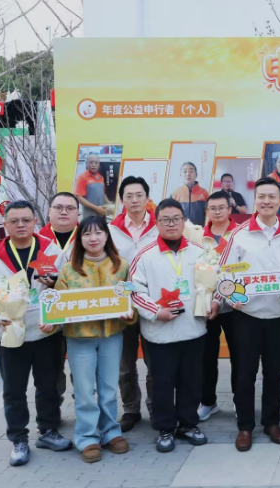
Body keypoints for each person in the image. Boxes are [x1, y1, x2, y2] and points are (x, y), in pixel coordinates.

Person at [219, 177, 280, 451]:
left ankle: (271, 422)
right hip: (247, 316)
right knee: (245, 374)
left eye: (272, 196)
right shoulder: (239, 235)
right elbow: (224, 274)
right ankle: (245, 426)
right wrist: (231, 297)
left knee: (273, 373)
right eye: (261, 196)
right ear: (255, 200)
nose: (266, 201)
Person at [130, 198, 217, 453]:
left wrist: (215, 303)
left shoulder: (199, 252)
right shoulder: (144, 255)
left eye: (176, 219)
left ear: (184, 221)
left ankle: (188, 424)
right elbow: (135, 291)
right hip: (160, 334)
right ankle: (165, 428)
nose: (171, 224)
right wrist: (157, 312)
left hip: (194, 330)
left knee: (191, 381)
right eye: (165, 220)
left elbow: (214, 282)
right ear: (156, 223)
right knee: (162, 384)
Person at [0, 201, 69, 466]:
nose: (20, 225)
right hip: (10, 333)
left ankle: (48, 430)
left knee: (48, 385)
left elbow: (67, 287)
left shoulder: (52, 250)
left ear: (35, 221)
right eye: (14, 221)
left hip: (46, 332)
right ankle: (18, 439)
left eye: (26, 220)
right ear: (5, 225)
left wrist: (55, 313)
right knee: (13, 390)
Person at [57, 216, 135, 462]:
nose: (93, 238)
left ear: (106, 236)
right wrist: (50, 320)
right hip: (79, 338)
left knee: (109, 388)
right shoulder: (69, 269)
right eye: (87, 234)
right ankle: (87, 437)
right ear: (79, 239)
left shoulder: (121, 265)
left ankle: (111, 432)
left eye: (98, 233)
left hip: (112, 336)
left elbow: (132, 297)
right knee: (84, 391)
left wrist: (130, 313)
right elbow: (58, 305)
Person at [109, 176, 158, 432]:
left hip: (152, 304)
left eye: (139, 195)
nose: (135, 200)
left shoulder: (160, 226)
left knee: (155, 363)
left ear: (147, 198)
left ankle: (156, 407)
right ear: (122, 200)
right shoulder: (110, 231)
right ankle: (130, 409)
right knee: (124, 365)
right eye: (129, 196)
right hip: (122, 306)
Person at [197, 192, 238, 422]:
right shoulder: (197, 237)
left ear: (230, 209)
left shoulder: (240, 235)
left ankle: (240, 399)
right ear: (207, 212)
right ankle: (208, 402)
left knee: (239, 356)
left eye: (222, 207)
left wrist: (222, 297)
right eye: (212, 208)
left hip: (235, 306)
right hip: (205, 307)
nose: (217, 211)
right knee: (206, 356)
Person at [40, 192, 80, 398]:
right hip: (50, 313)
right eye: (58, 208)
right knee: (52, 365)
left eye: (70, 208)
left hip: (80, 311)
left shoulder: (89, 237)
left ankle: (84, 402)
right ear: (49, 211)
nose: (64, 212)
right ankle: (52, 407)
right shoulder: (36, 240)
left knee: (83, 364)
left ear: (77, 213)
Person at [170, 162, 208, 226]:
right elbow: (170, 214)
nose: (188, 174)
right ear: (181, 175)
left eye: (191, 171)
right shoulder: (175, 194)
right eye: (185, 171)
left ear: (196, 175)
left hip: (200, 230)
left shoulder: (204, 193)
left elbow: (209, 214)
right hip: (181, 230)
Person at [75, 153, 110, 219]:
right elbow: (79, 198)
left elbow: (103, 193)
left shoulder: (101, 177)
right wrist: (96, 208)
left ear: (99, 164)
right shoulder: (82, 178)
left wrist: (108, 202)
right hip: (90, 216)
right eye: (91, 162)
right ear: (87, 163)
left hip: (102, 213)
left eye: (96, 162)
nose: (94, 165)